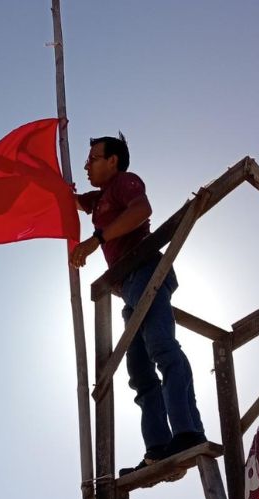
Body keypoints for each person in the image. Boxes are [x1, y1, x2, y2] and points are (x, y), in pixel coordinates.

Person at [71, 134, 206, 476]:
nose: (86, 165)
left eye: (93, 158)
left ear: (113, 161)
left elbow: (142, 210)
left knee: (162, 347)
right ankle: (158, 449)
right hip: (128, 288)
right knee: (140, 372)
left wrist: (97, 240)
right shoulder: (99, 198)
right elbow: (74, 202)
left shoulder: (123, 183)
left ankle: (189, 433)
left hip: (146, 272)